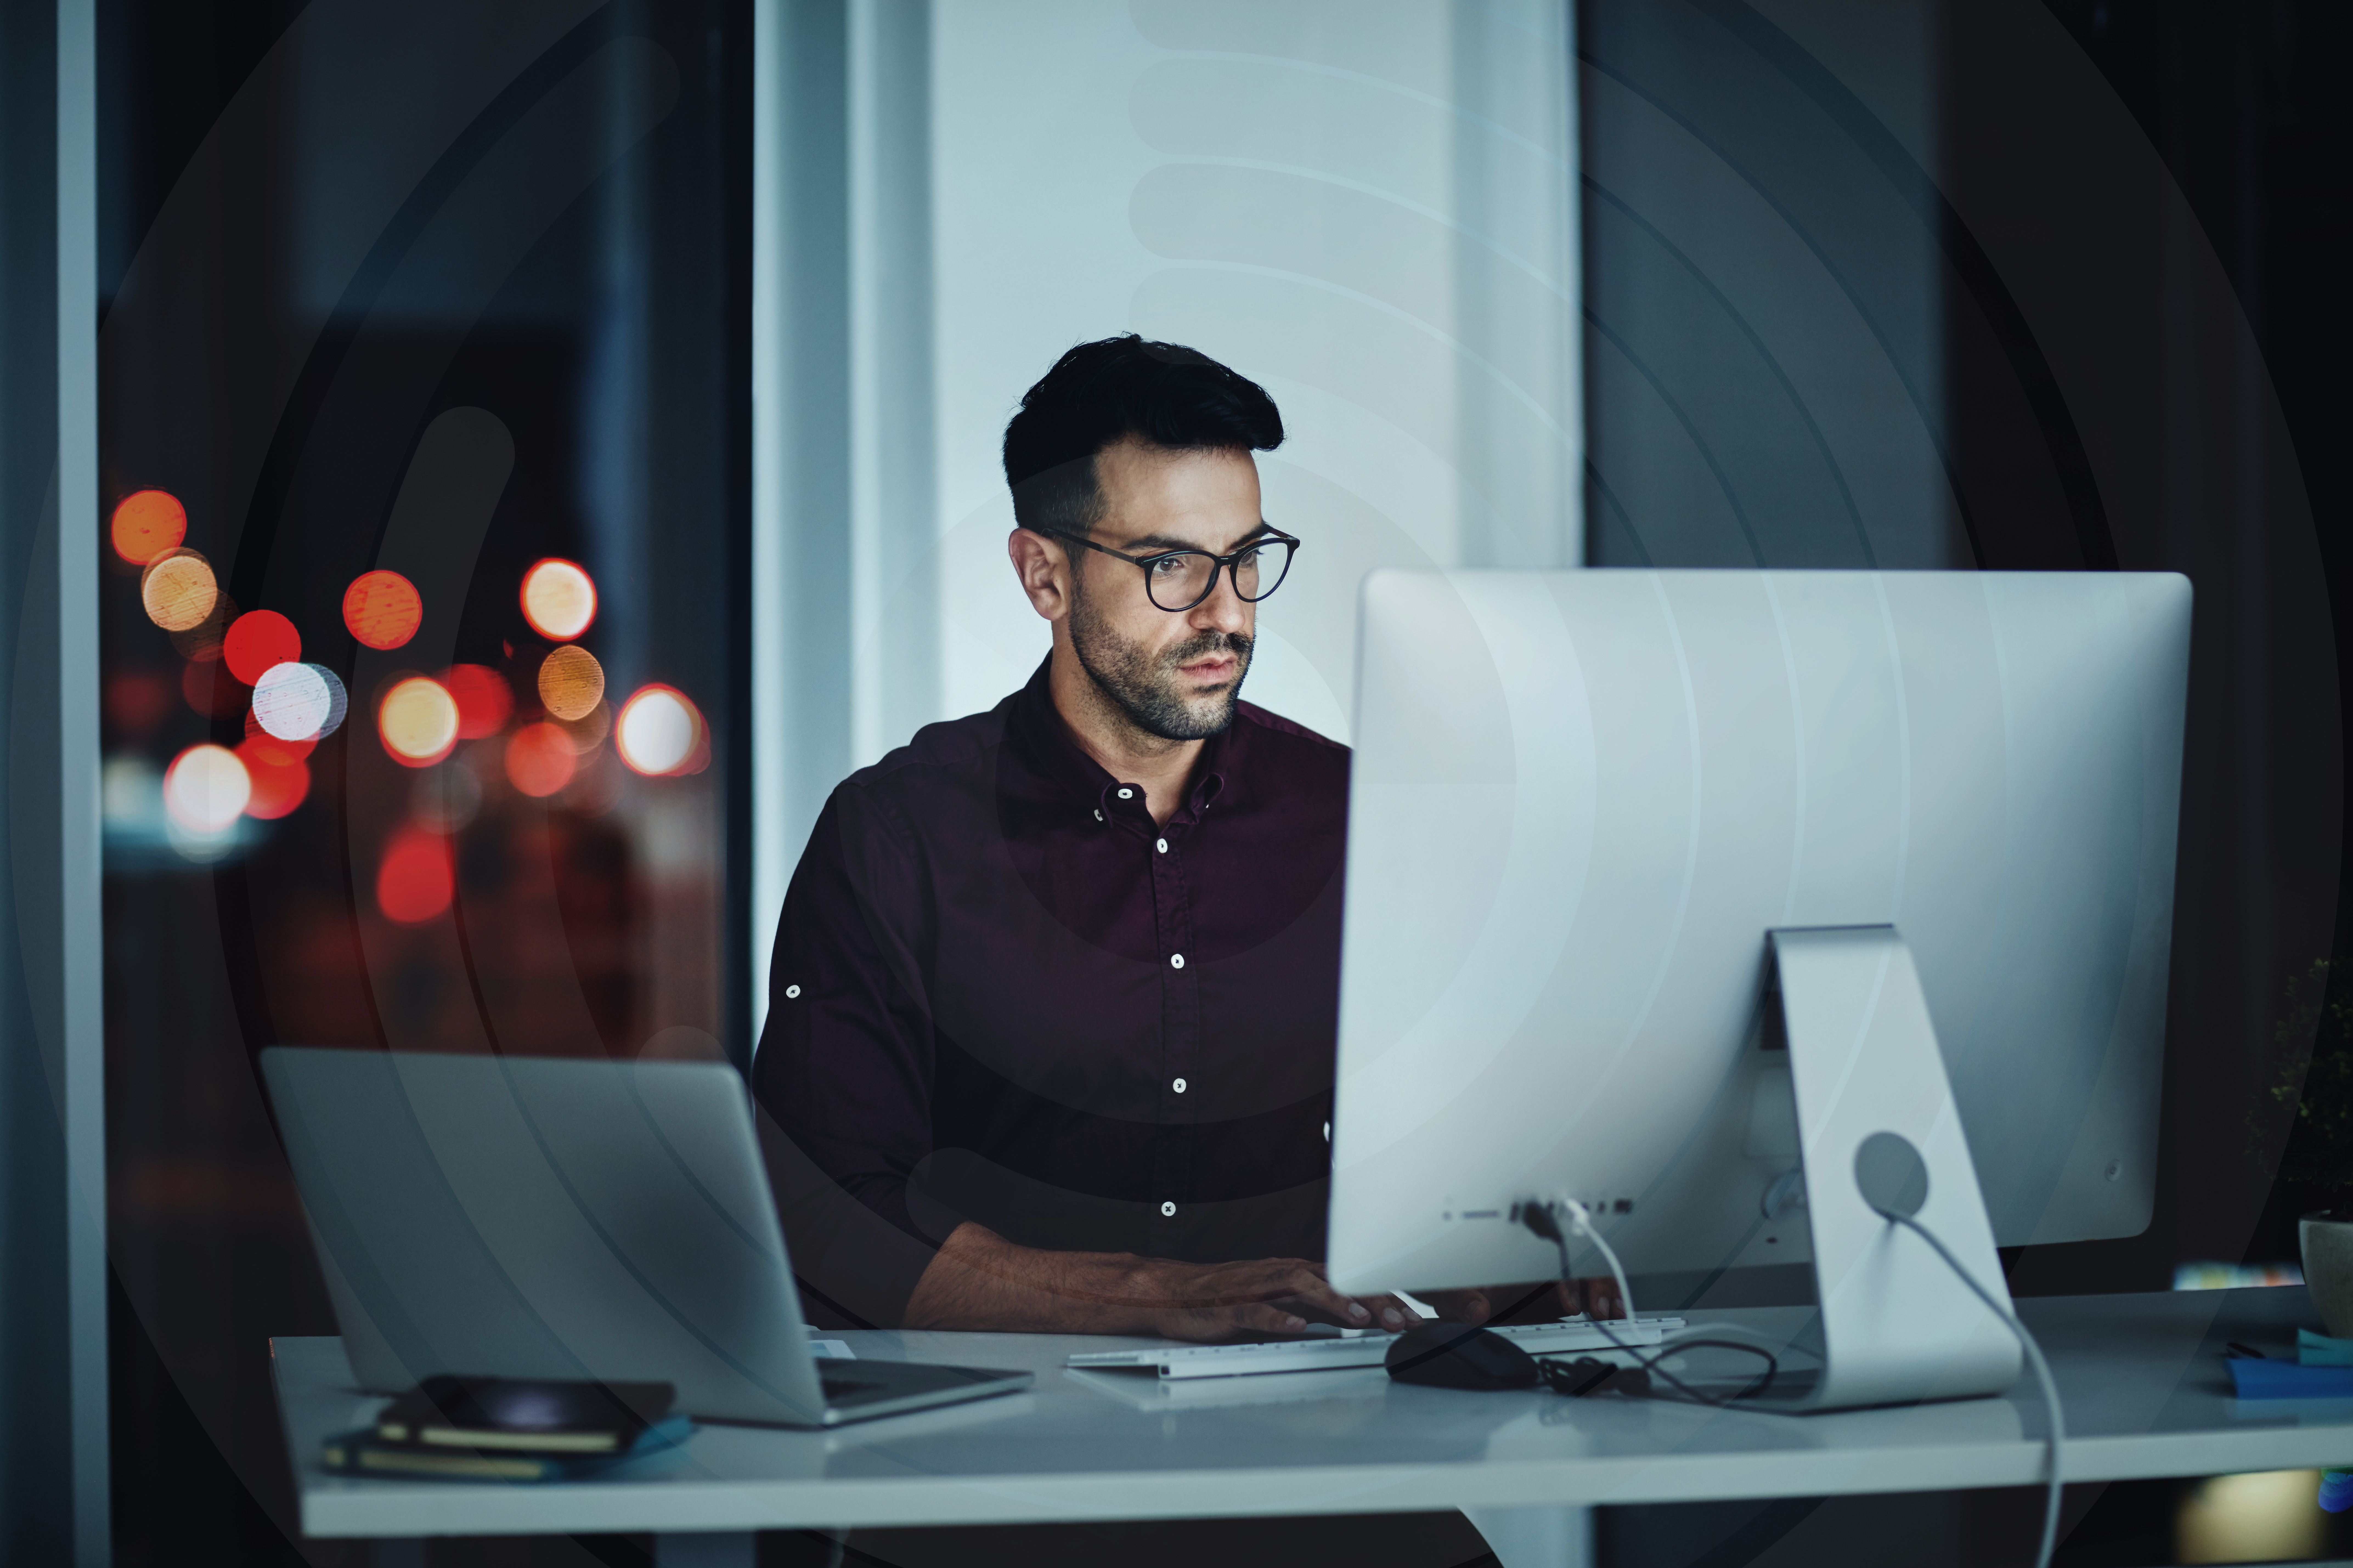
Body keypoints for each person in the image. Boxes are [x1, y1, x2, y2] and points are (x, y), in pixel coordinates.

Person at [750, 334, 1605, 1565]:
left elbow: (1468, 1145)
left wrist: (1518, 1256)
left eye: (1248, 559)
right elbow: (825, 1214)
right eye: (1169, 567)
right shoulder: (898, 835)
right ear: (1043, 575)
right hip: (1000, 1490)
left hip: (1327, 1463)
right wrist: (1161, 1297)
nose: (1226, 615)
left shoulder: (1365, 815)